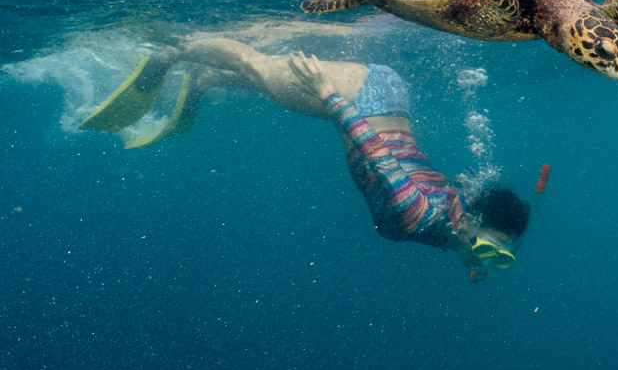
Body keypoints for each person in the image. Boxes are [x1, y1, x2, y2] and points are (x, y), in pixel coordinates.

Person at [81, 37, 530, 273]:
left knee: (266, 85)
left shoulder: (455, 218)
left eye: (500, 259)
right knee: (254, 63)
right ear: (471, 224)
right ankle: (173, 53)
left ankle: (203, 80)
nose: (486, 260)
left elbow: (468, 181)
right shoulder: (419, 217)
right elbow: (374, 153)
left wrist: (480, 229)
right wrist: (327, 92)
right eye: (493, 251)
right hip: (362, 100)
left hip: (390, 104)